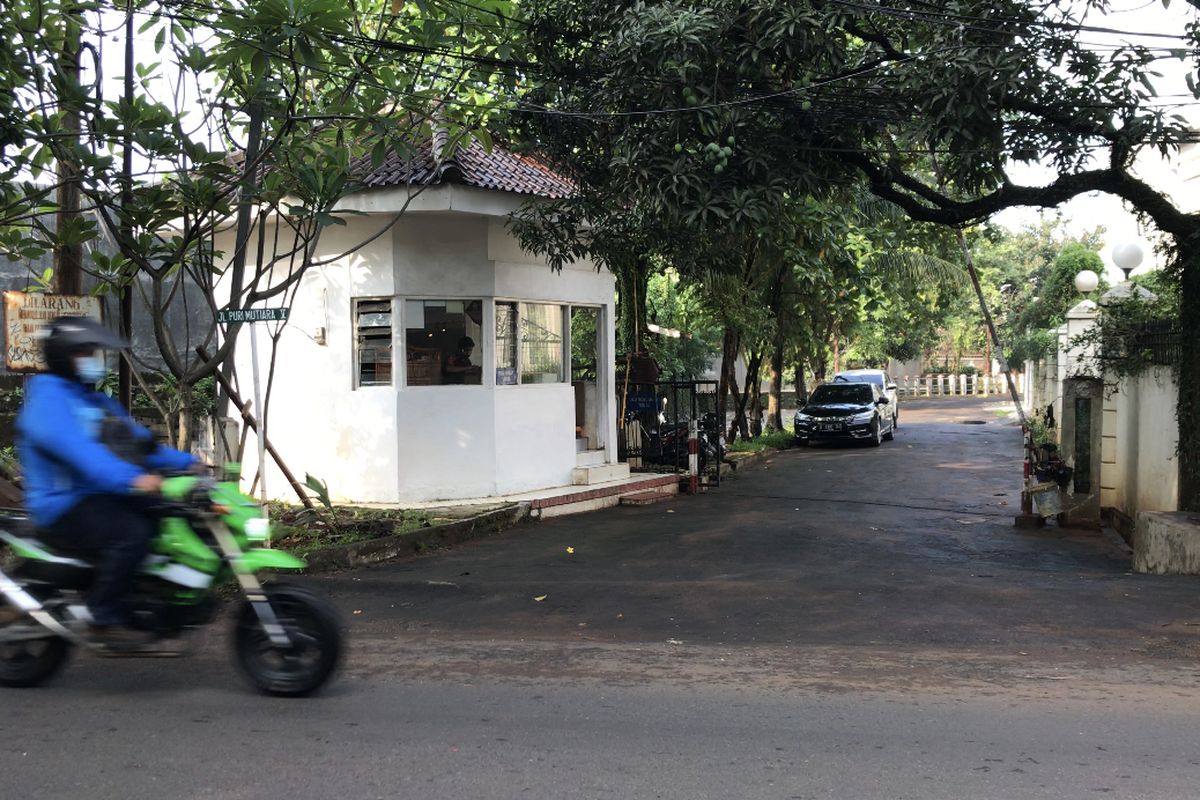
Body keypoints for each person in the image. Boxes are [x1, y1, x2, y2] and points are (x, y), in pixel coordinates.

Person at [16, 316, 197, 650]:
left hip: (97, 496)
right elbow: (84, 456)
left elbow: (141, 444)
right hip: (62, 504)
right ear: (62, 355)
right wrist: (135, 478)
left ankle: (142, 603)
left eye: (94, 351)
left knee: (168, 514)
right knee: (131, 534)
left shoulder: (94, 400)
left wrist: (190, 464)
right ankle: (104, 617)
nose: (94, 358)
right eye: (85, 351)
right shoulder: (49, 401)